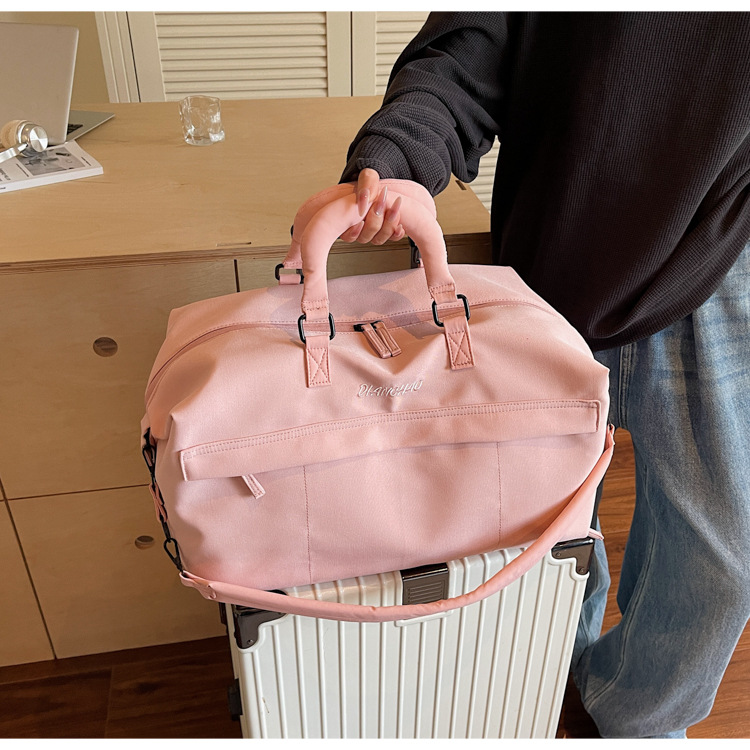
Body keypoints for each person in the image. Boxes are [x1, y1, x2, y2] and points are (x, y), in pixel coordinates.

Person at [332, 12, 750, 739]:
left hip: (722, 262)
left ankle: (634, 720)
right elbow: (467, 52)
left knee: (721, 560)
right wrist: (399, 157)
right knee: (545, 530)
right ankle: (550, 670)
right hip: (553, 261)